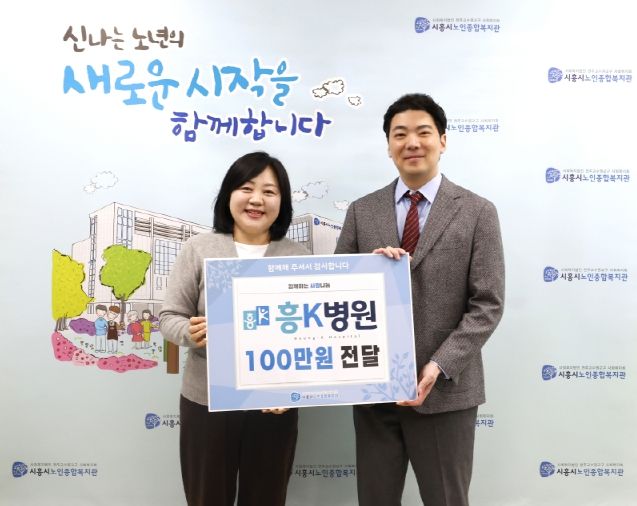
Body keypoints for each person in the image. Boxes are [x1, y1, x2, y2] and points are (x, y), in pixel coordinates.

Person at [335, 93, 505, 506]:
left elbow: (488, 304)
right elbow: (337, 291)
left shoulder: (477, 211)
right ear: (388, 145)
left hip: (446, 392)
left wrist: (439, 365)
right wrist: (367, 271)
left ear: (442, 140)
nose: (412, 142)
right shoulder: (362, 211)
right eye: (400, 134)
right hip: (376, 393)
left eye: (423, 132)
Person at [159, 151, 309, 506]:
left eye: (269, 192)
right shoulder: (199, 249)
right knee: (207, 496)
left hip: (273, 403)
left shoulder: (298, 256)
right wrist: (191, 332)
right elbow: (169, 317)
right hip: (207, 402)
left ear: (282, 202)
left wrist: (292, 390)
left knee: (267, 497)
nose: (257, 199)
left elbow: (310, 336)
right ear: (229, 194)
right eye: (246, 188)